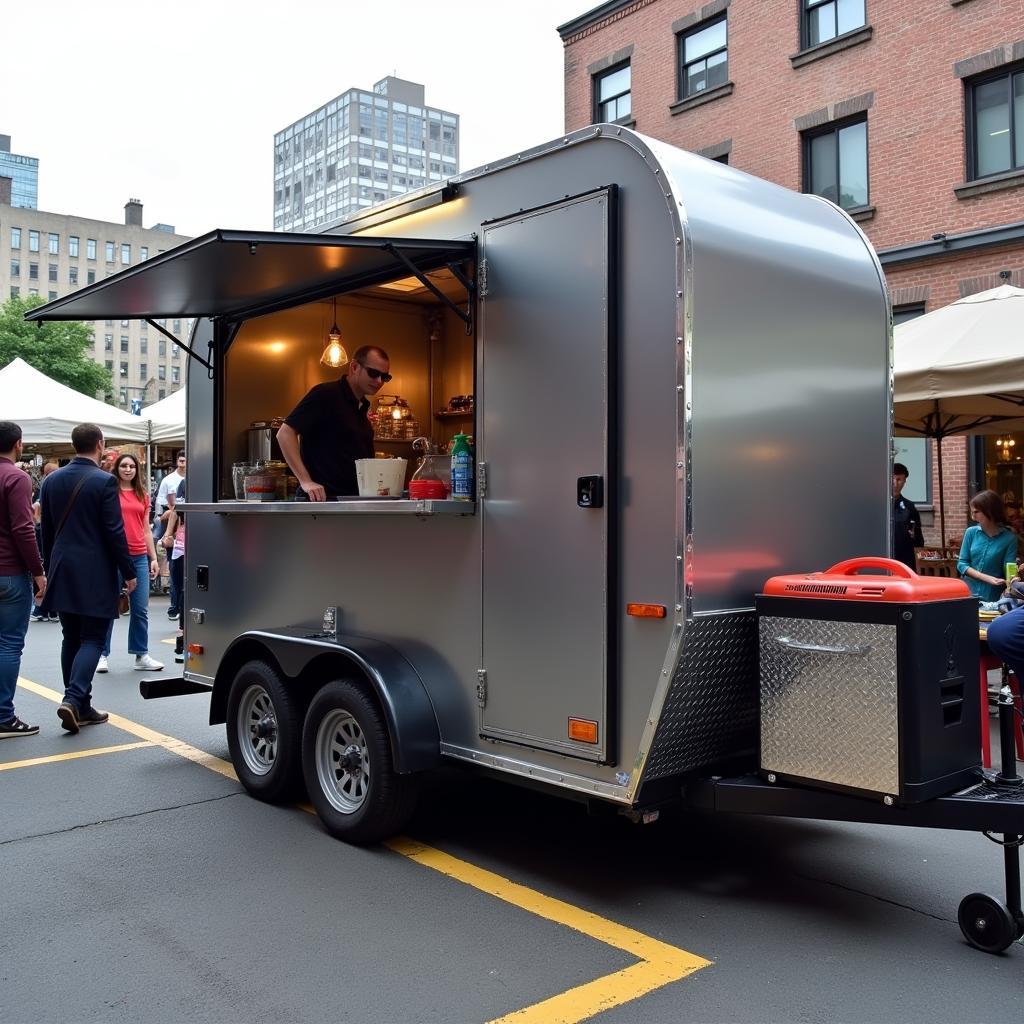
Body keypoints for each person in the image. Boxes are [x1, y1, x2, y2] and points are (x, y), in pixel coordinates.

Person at [38, 423, 137, 734]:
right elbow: (114, 532)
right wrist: (129, 571)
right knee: (94, 637)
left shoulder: (51, 480)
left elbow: (48, 531)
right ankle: (74, 698)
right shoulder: (104, 482)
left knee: (71, 636)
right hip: (95, 568)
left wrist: (48, 566)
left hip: (62, 564)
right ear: (99, 443)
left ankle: (81, 705)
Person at [277, 346, 391, 501]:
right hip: (321, 502)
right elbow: (284, 433)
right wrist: (305, 481)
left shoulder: (362, 407)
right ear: (354, 367)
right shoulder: (325, 394)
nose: (379, 381)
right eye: (373, 373)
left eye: (384, 377)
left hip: (351, 502)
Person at [96, 453, 164, 674]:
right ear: (117, 468)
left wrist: (153, 557)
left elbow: (146, 529)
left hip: (138, 555)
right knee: (108, 607)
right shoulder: (109, 492)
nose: (128, 469)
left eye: (132, 466)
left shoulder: (142, 494)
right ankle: (102, 655)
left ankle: (141, 654)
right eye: (124, 466)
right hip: (112, 556)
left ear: (137, 470)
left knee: (140, 609)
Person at [0, 421, 46, 737]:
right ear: (19, 444)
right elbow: (23, 528)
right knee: (9, 644)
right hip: (10, 572)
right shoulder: (16, 477)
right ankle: (4, 715)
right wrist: (39, 571)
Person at [957, 489, 1019, 603]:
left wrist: (1014, 576)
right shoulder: (971, 532)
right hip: (967, 593)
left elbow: (1009, 568)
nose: (973, 517)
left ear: (990, 511)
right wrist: (987, 578)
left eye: (976, 512)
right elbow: (961, 564)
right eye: (971, 512)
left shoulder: (1010, 538)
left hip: (993, 597)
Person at [155, 451, 186, 618]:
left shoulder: (202, 480)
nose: (184, 464)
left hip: (193, 534)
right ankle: (175, 607)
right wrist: (167, 534)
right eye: (181, 461)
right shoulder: (171, 481)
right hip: (178, 534)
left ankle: (181, 609)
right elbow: (168, 512)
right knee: (177, 573)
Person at [30, 461, 59, 622]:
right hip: (44, 537)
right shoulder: (43, 491)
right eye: (49, 473)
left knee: (50, 571)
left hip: (55, 537)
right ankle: (43, 608)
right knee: (44, 569)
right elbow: (35, 515)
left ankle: (50, 609)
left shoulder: (53, 488)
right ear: (44, 474)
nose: (52, 475)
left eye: (55, 472)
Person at [891, 462, 924, 571]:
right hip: (881, 559)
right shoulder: (878, 505)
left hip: (904, 561)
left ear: (904, 481)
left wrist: (914, 535)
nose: (895, 484)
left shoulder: (909, 507)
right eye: (893, 479)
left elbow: (919, 540)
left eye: (899, 480)